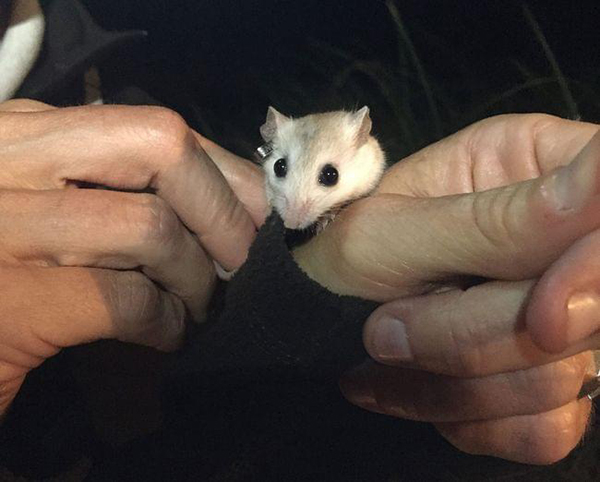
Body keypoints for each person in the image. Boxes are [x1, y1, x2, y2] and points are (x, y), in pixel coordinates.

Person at [1, 1, 600, 480]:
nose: (295, 202)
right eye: (282, 173)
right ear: (271, 141)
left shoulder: (109, 73)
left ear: (365, 143)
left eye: (327, 178)